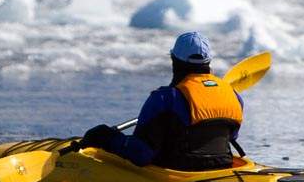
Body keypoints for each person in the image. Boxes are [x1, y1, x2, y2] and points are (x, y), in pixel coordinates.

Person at [79, 31, 244, 170]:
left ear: (174, 61)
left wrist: (107, 138)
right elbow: (230, 137)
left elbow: (140, 154)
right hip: (222, 168)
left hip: (178, 174)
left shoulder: (164, 99)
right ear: (209, 62)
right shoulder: (233, 96)